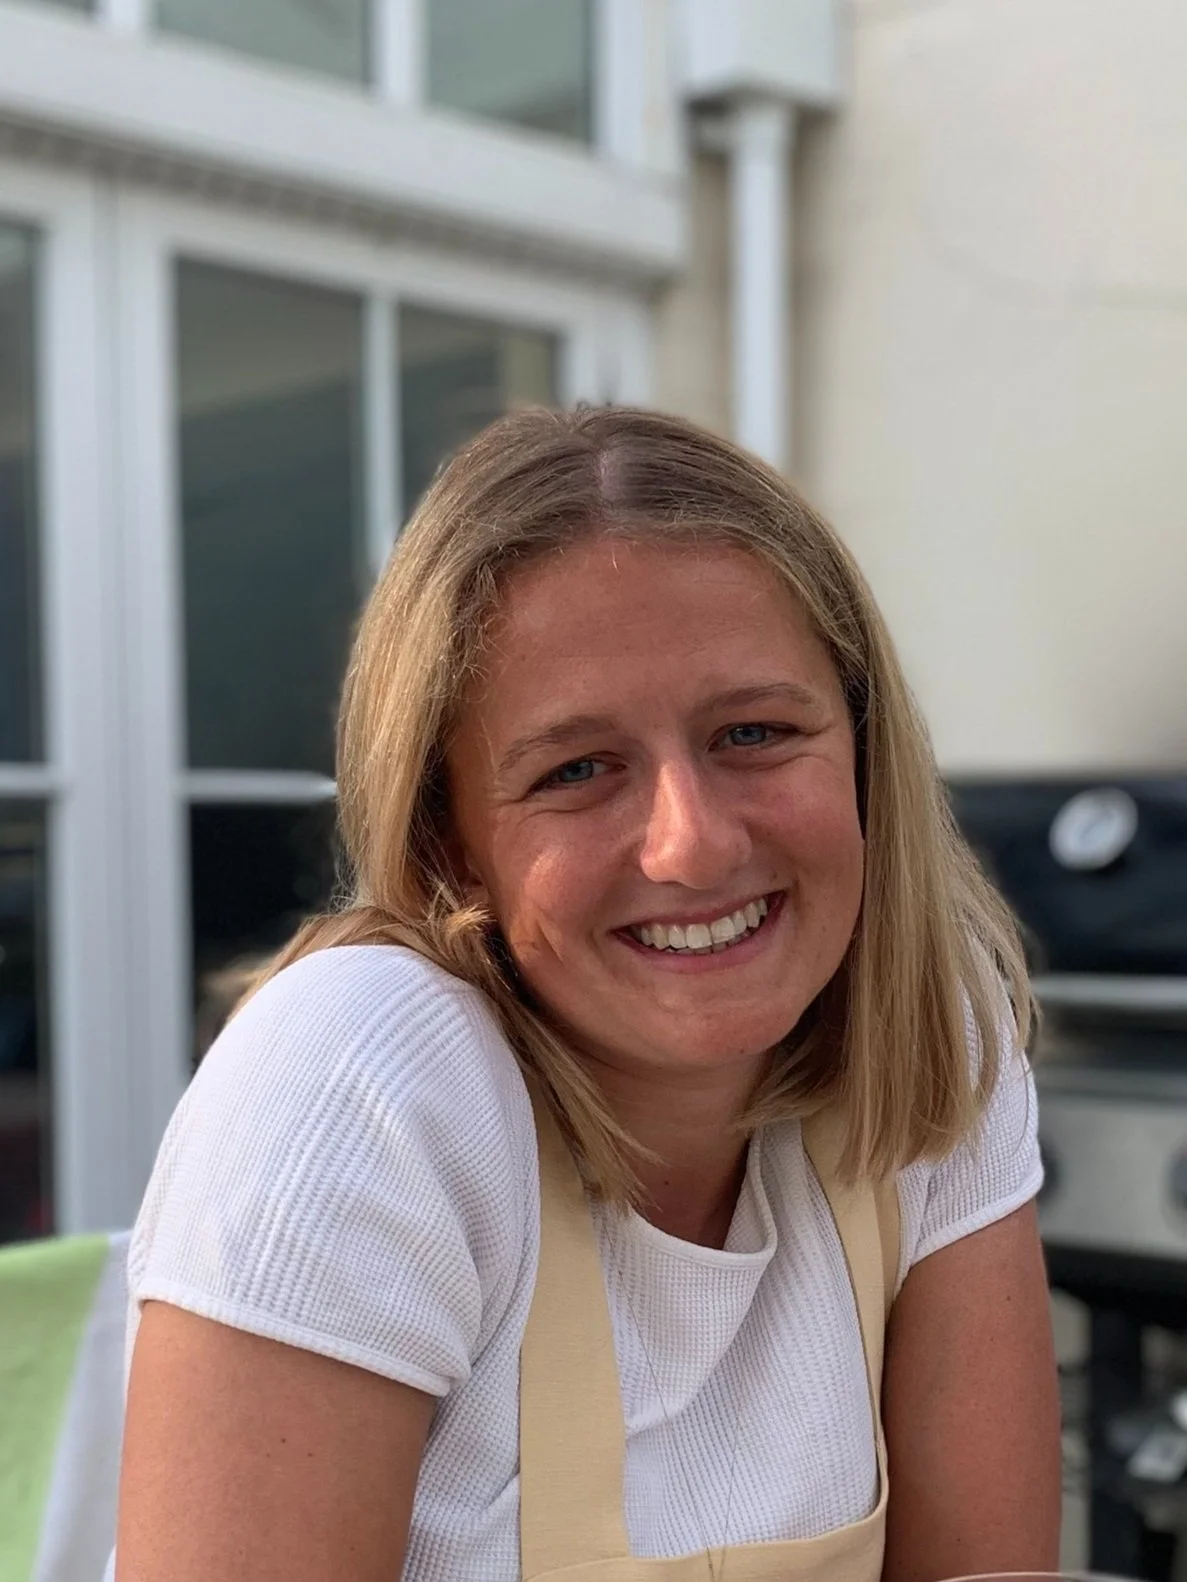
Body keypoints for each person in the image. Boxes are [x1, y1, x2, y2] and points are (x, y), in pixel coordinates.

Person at [110, 407, 1061, 1582]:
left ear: (865, 755)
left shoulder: (928, 1019)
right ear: (450, 842)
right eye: (575, 769)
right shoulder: (360, 1085)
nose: (691, 845)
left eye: (752, 732)